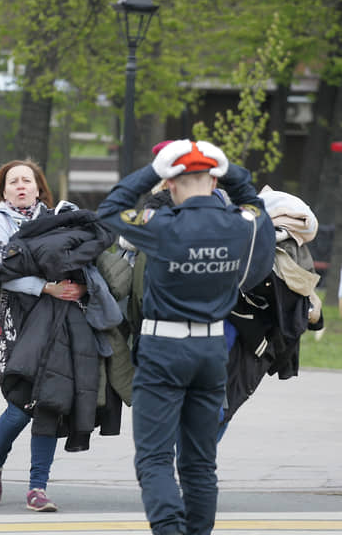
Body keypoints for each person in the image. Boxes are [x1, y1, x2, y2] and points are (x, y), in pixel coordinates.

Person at [97, 140, 274, 535]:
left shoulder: (161, 225)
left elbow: (108, 212)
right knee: (199, 463)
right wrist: (232, 171)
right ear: (214, 182)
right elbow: (256, 206)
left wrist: (151, 171)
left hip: (164, 348)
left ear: (171, 184)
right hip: (212, 349)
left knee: (155, 459)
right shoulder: (240, 222)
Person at [0, 160, 116, 512]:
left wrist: (79, 287)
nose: (20, 186)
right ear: (2, 191)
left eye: (27, 181)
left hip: (59, 320)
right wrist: (45, 287)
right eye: (13, 182)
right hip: (16, 322)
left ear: (38, 188)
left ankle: (37, 488)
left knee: (50, 400)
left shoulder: (60, 218)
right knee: (21, 403)